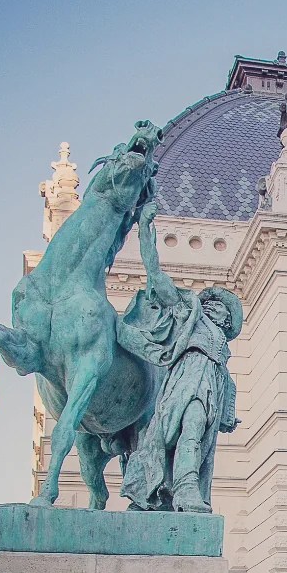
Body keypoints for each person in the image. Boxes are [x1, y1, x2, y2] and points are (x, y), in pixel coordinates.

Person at [119, 202, 243, 512]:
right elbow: (157, 277)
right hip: (184, 384)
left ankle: (185, 488)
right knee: (186, 429)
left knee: (196, 432)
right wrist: (146, 230)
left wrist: (228, 414)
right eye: (210, 303)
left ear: (227, 321)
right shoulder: (190, 319)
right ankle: (184, 489)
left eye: (221, 308)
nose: (213, 306)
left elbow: (225, 383)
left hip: (208, 388)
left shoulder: (221, 350)